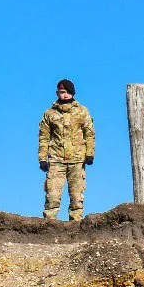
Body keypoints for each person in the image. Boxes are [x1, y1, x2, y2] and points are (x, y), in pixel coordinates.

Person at [38, 79, 96, 220]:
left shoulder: (82, 111)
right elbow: (44, 137)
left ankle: (75, 225)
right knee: (52, 195)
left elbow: (89, 134)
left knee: (76, 196)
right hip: (56, 160)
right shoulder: (50, 114)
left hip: (77, 160)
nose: (64, 95)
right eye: (61, 92)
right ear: (57, 93)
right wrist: (42, 159)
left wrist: (90, 154)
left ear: (72, 93)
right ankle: (49, 224)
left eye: (67, 92)